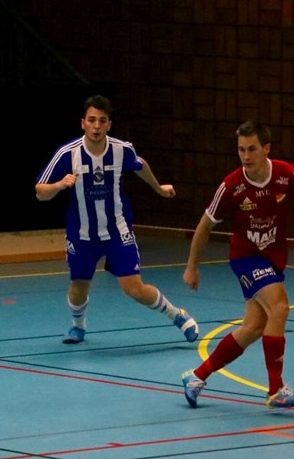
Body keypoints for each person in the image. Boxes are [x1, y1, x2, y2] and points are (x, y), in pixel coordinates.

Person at [180, 120, 294, 409]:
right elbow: (204, 226)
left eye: (252, 149)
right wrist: (192, 266)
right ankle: (275, 390)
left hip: (273, 259)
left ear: (266, 148)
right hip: (245, 257)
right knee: (280, 307)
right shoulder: (231, 186)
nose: (246, 156)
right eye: (241, 150)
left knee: (252, 328)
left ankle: (196, 376)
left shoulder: (288, 175)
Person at [35, 94, 199, 345]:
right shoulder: (68, 154)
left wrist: (158, 188)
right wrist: (59, 184)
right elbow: (40, 192)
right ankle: (78, 327)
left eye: (102, 121)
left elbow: (140, 165)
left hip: (116, 229)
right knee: (79, 286)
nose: (96, 126)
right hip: (82, 233)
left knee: (133, 288)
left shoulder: (121, 150)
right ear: (82, 123)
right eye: (92, 120)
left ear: (109, 125)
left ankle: (177, 315)